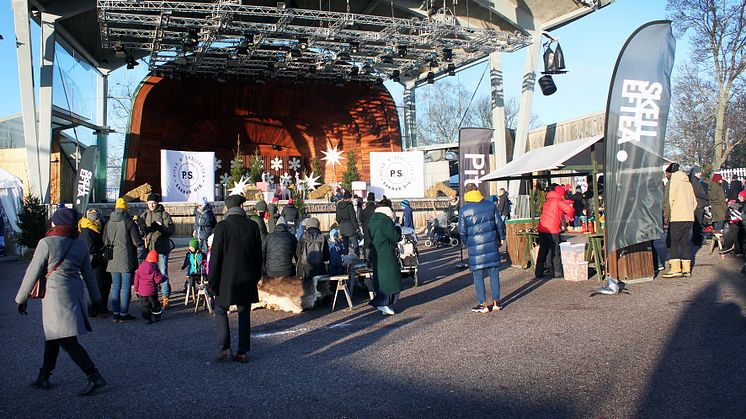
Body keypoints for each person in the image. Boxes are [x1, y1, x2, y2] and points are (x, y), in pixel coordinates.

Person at [15, 207, 106, 396]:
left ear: (57, 223)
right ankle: (44, 376)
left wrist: (21, 299)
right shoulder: (79, 244)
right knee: (54, 335)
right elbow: (89, 275)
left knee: (66, 339)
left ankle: (94, 375)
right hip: (74, 292)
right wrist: (96, 299)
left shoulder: (46, 242)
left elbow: (33, 271)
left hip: (55, 296)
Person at [207, 194, 262, 363]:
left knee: (220, 310)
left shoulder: (222, 227)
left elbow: (215, 257)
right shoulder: (252, 226)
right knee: (244, 313)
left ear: (227, 209)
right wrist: (256, 277)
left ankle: (225, 347)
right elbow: (258, 255)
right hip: (247, 277)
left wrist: (212, 281)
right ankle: (242, 351)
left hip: (226, 278)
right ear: (242, 207)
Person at [458, 183, 506, 313]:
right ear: (478, 191)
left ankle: (483, 305)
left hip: (475, 247)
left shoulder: (464, 210)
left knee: (478, 276)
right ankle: (496, 302)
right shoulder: (490, 205)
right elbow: (499, 223)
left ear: (466, 193)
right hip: (491, 243)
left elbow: (461, 231)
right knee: (494, 274)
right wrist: (501, 237)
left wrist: (468, 242)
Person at [104, 198, 144, 322]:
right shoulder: (128, 222)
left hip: (112, 258)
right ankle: (123, 313)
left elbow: (105, 241)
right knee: (126, 286)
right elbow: (137, 241)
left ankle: (115, 313)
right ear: (125, 208)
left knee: (115, 286)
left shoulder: (108, 222)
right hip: (126, 257)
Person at [138, 193, 175, 308]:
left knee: (163, 272)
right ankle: (152, 295)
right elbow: (140, 231)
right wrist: (142, 229)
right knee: (149, 274)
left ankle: (165, 297)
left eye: (154, 203)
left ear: (157, 203)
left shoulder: (164, 214)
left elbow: (171, 230)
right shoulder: (144, 215)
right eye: (149, 203)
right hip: (149, 249)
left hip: (161, 248)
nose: (152, 205)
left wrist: (160, 228)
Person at [662, 168, 698, 278]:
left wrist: (667, 215)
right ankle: (686, 269)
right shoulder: (688, 183)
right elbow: (694, 202)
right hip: (688, 216)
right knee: (685, 242)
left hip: (677, 216)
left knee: (674, 242)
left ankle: (675, 268)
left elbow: (669, 200)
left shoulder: (673, 182)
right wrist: (689, 212)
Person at [368, 202, 402, 315]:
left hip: (376, 252)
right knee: (390, 278)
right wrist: (397, 227)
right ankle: (383, 303)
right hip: (386, 252)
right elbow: (395, 236)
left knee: (381, 278)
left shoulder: (373, 219)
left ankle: (384, 304)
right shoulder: (385, 221)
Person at [535, 185, 574, 279]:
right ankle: (557, 271)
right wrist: (570, 216)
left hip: (542, 228)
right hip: (552, 229)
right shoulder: (558, 201)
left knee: (543, 250)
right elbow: (570, 209)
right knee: (555, 250)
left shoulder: (547, 201)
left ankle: (538, 271)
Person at [78, 208, 110, 318]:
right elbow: (89, 247)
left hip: (98, 261)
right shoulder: (88, 229)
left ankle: (102, 308)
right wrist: (102, 249)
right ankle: (94, 310)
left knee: (103, 284)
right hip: (95, 261)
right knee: (97, 285)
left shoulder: (91, 226)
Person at [133, 250, 166, 324]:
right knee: (155, 305)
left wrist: (136, 289)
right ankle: (157, 316)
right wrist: (164, 278)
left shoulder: (141, 266)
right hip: (152, 291)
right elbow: (158, 279)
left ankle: (147, 318)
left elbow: (136, 279)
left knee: (145, 306)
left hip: (142, 292)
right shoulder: (154, 268)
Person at [296, 217, 329, 284]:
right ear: (318, 226)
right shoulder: (322, 237)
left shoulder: (303, 237)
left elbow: (297, 253)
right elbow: (326, 256)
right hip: (319, 269)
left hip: (305, 269)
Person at [336, 191, 360, 255]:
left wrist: (340, 223)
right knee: (355, 245)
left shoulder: (338, 206)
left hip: (342, 227)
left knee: (345, 246)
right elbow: (353, 217)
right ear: (349, 198)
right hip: (350, 226)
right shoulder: (349, 205)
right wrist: (357, 227)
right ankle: (357, 258)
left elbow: (337, 218)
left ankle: (346, 259)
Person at [689, 166, 708, 246]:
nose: (701, 174)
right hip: (698, 204)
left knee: (696, 223)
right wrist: (707, 197)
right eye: (700, 172)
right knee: (698, 222)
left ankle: (695, 238)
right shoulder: (695, 181)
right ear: (696, 173)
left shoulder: (693, 180)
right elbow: (699, 193)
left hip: (696, 203)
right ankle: (697, 239)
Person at [360, 192, 377, 261]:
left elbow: (361, 219)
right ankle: (375, 258)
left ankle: (367, 259)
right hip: (375, 227)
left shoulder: (364, 210)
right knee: (375, 242)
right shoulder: (376, 209)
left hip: (366, 227)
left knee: (367, 242)